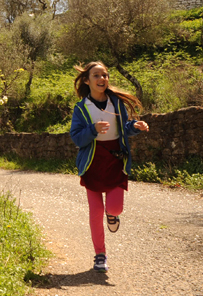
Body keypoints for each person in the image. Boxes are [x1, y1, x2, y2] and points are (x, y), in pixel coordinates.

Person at [69, 61, 150, 274]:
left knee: (114, 208)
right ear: (87, 80)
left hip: (115, 161)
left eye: (104, 75)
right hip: (92, 163)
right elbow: (77, 138)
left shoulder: (116, 103)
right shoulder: (81, 108)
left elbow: (123, 128)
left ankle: (112, 215)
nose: (102, 79)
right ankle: (100, 255)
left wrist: (134, 126)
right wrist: (93, 129)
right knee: (95, 211)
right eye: (96, 75)